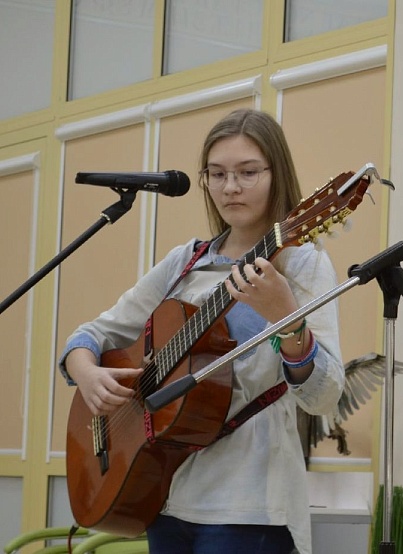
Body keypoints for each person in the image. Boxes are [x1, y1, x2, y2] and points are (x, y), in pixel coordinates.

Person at [60, 108, 345, 554]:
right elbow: (92, 334)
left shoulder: (301, 264)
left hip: (248, 506)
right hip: (165, 495)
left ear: (277, 174)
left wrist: (288, 319)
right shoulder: (185, 261)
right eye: (217, 174)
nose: (230, 187)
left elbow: (323, 396)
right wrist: (87, 373)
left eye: (248, 172)